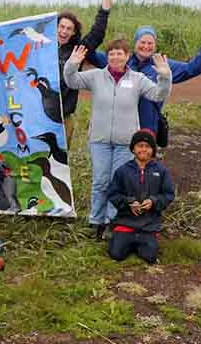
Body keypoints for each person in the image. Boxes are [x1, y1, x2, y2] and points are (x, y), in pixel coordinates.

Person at [63, 42, 172, 238]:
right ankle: (96, 220)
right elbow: (71, 81)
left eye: (119, 54)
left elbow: (159, 94)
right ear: (108, 57)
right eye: (111, 54)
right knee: (100, 181)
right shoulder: (96, 76)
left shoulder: (138, 79)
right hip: (100, 140)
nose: (115, 58)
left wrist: (164, 76)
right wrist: (72, 63)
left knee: (118, 183)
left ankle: (112, 222)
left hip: (125, 141)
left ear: (127, 56)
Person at [87, 23, 201, 138]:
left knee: (144, 158)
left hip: (147, 127)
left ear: (155, 45)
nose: (146, 46)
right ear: (135, 43)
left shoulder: (163, 65)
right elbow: (89, 53)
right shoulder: (118, 59)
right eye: (142, 42)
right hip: (119, 129)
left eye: (150, 43)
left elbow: (192, 69)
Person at [53, 0, 119, 144]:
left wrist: (106, 1)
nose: (64, 31)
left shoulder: (78, 50)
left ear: (74, 32)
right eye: (61, 26)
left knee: (59, 164)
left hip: (64, 115)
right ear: (55, 27)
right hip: (39, 114)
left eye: (69, 28)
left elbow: (97, 33)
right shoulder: (40, 46)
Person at [107, 130, 174, 264]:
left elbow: (168, 194)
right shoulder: (122, 170)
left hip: (148, 225)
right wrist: (128, 203)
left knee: (150, 256)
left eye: (147, 146)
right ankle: (124, 239)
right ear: (133, 149)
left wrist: (153, 201)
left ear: (153, 150)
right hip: (125, 222)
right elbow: (113, 193)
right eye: (140, 145)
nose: (143, 149)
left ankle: (142, 242)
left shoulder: (161, 171)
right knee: (116, 254)